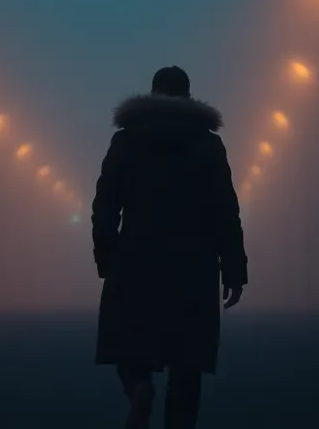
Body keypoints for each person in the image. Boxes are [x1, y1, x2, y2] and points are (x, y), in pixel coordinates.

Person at [92, 66, 248, 429]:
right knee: (187, 365)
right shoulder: (208, 144)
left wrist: (107, 256)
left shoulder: (127, 140)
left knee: (130, 347)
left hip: (136, 259)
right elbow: (225, 209)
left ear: (152, 95)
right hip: (193, 265)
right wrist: (234, 269)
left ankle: (139, 388)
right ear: (189, 97)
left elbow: (105, 202)